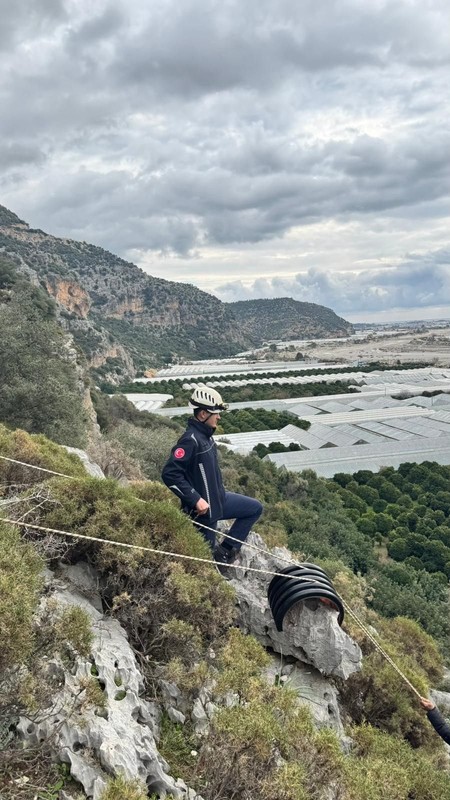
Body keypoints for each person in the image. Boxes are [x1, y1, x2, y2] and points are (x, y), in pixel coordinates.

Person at [161, 384, 263, 569]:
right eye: (215, 412)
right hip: (204, 514)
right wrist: (195, 499)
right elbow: (170, 474)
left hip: (220, 501)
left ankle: (225, 551)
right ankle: (215, 563)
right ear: (202, 414)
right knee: (205, 565)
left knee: (254, 509)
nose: (219, 416)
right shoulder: (189, 440)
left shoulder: (206, 436)